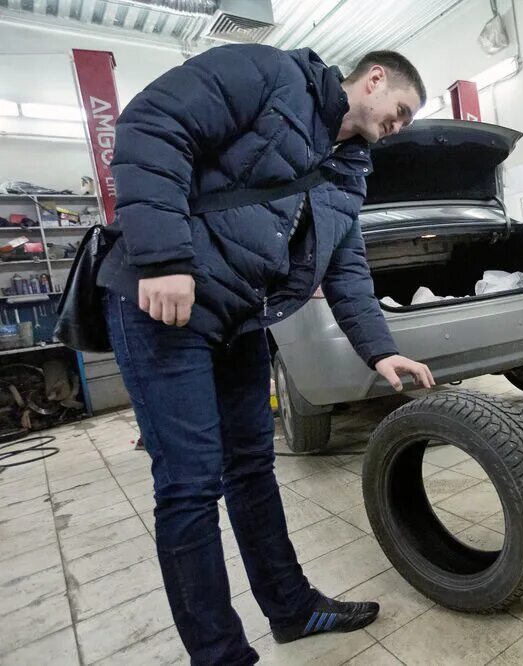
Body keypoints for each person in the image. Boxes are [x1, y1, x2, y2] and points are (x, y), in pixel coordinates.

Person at [98, 44, 435, 664]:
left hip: (239, 320)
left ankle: (292, 608)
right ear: (375, 79)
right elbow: (152, 123)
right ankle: (221, 654)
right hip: (165, 306)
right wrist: (164, 258)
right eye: (403, 111)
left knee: (251, 469)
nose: (400, 125)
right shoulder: (272, 74)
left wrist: (380, 352)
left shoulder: (350, 170)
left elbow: (347, 266)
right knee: (190, 485)